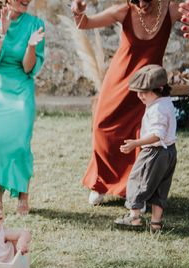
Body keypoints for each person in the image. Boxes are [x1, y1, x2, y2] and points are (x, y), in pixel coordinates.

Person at [71, 0, 180, 206]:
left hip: (149, 87)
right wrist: (78, 11)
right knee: (102, 127)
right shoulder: (123, 11)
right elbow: (84, 23)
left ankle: (138, 188)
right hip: (119, 81)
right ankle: (100, 183)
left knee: (143, 135)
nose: (141, 4)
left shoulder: (171, 10)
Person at [0, 0, 45, 215]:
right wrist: (1, 33)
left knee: (21, 144)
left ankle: (23, 193)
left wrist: (31, 46)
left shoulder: (35, 24)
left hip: (21, 88)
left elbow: (28, 67)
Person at [114, 65, 177, 232]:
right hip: (170, 152)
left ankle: (134, 218)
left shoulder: (157, 109)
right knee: (161, 187)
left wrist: (136, 143)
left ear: (159, 88)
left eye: (144, 92)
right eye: (138, 91)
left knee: (138, 181)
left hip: (154, 152)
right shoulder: (166, 102)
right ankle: (156, 223)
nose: (139, 96)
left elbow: (158, 134)